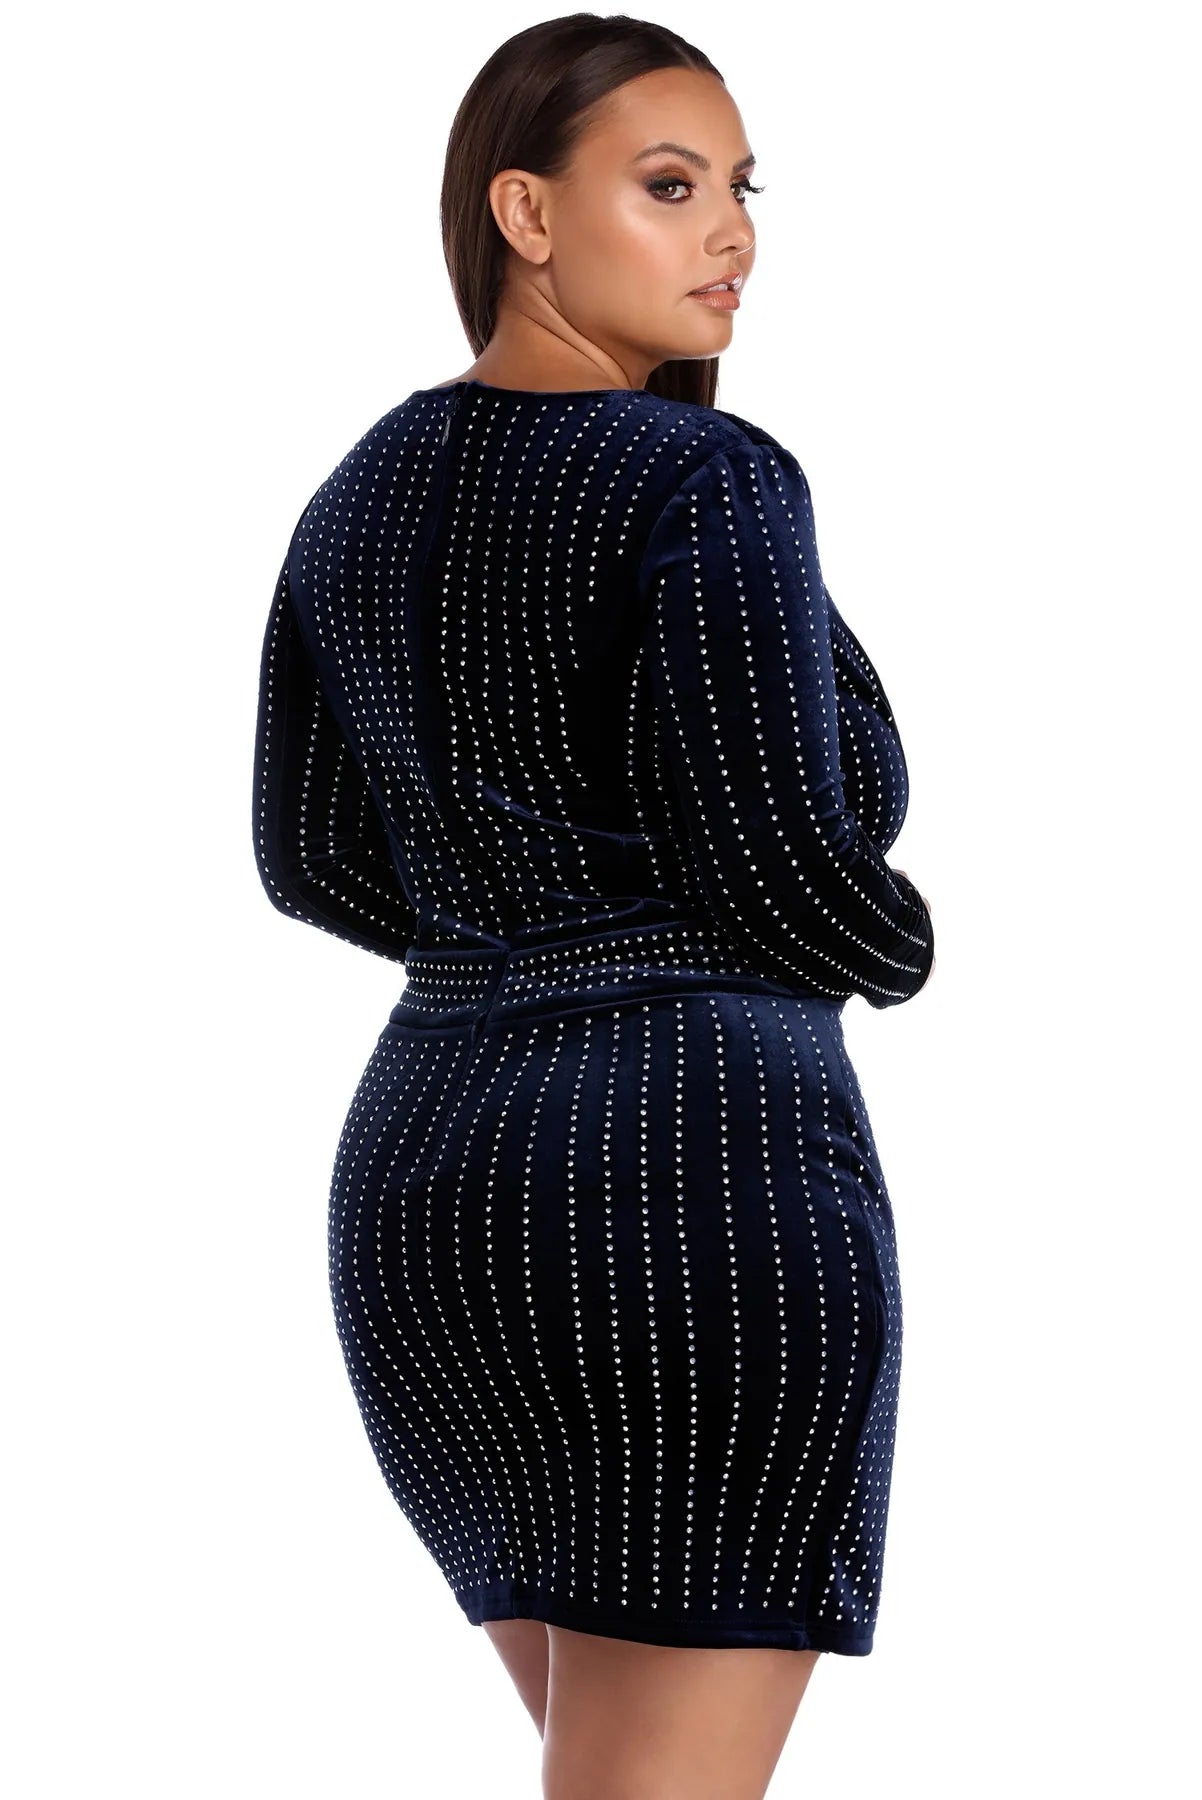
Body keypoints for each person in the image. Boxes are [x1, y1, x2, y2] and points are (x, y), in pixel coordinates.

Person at [251, 15, 935, 1799]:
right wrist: (901, 946)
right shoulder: (703, 475)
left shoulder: (358, 492)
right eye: (670, 185)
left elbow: (308, 857)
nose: (733, 234)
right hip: (684, 1179)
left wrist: (518, 936)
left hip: (433, 1182)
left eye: (742, 189)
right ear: (525, 215)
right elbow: (772, 867)